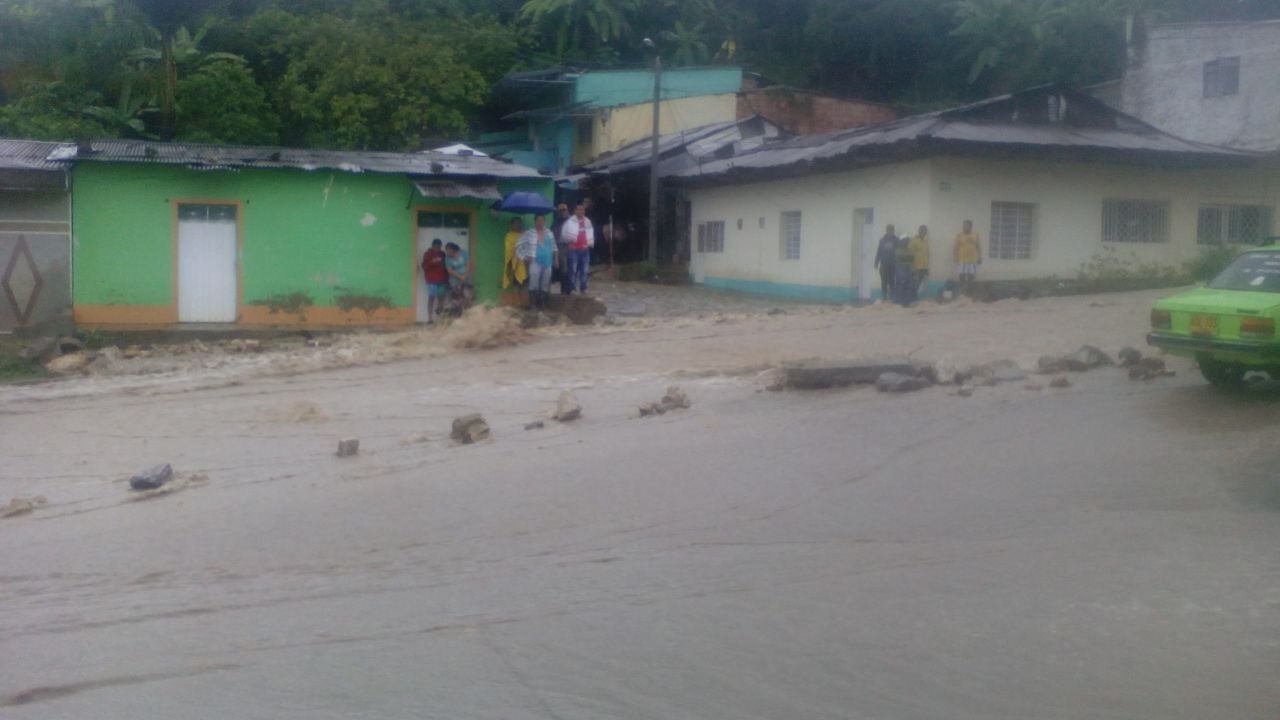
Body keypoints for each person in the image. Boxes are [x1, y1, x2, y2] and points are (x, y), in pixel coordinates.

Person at [517, 214, 557, 310]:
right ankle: (533, 305)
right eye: (538, 220)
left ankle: (543, 305)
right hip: (535, 261)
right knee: (533, 283)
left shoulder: (549, 233)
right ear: (535, 222)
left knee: (545, 283)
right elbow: (518, 245)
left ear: (544, 221)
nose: (540, 222)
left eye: (542, 220)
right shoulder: (529, 233)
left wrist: (556, 259)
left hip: (548, 262)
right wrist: (525, 256)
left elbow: (554, 247)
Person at [559, 203, 594, 294]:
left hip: (585, 250)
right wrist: (571, 240)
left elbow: (590, 234)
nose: (581, 211)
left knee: (584, 270)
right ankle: (572, 288)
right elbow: (563, 235)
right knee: (573, 270)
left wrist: (589, 244)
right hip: (573, 249)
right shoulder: (569, 222)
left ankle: (583, 288)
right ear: (575, 211)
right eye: (579, 209)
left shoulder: (588, 221)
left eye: (582, 210)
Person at [421, 238, 448, 323]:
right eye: (436, 247)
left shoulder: (442, 254)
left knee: (441, 298)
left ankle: (440, 318)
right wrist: (433, 261)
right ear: (432, 246)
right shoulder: (427, 254)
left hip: (442, 280)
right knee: (431, 298)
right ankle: (429, 318)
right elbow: (424, 267)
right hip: (431, 280)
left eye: (439, 247)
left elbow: (446, 266)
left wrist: (447, 279)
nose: (437, 249)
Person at [953, 219, 982, 297]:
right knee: (961, 276)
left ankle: (969, 293)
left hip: (972, 260)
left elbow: (978, 247)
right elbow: (955, 247)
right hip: (962, 260)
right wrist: (955, 257)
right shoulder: (959, 235)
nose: (964, 227)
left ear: (970, 226)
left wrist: (980, 257)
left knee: (971, 277)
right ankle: (962, 293)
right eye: (963, 225)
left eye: (966, 225)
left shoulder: (975, 235)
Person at [444, 242, 473, 315]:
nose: (448, 252)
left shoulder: (463, 253)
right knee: (457, 297)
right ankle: (458, 314)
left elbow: (468, 264)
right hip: (455, 279)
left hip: (467, 276)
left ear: (453, 249)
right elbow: (449, 270)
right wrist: (460, 277)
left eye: (449, 250)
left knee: (467, 295)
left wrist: (464, 275)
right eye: (447, 250)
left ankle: (468, 313)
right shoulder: (447, 258)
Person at [874, 224, 899, 302]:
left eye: (892, 230)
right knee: (884, 281)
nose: (890, 231)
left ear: (893, 231)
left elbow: (899, 252)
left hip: (893, 264)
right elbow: (879, 252)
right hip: (883, 264)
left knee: (891, 281)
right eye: (889, 230)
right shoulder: (882, 240)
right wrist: (876, 262)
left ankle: (892, 296)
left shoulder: (896, 240)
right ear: (886, 230)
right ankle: (884, 296)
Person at [502, 217, 527, 291]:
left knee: (523, 283)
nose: (517, 225)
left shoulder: (524, 235)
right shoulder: (509, 235)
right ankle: (516, 298)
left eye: (519, 223)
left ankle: (522, 298)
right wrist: (516, 248)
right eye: (515, 223)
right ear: (512, 225)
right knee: (515, 283)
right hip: (513, 262)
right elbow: (508, 249)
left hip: (524, 262)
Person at [551, 203, 571, 294]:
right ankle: (564, 290)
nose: (563, 212)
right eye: (561, 210)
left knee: (571, 269)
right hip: (560, 247)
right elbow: (552, 234)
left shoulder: (572, 221)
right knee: (563, 269)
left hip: (572, 247)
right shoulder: (556, 223)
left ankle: (569, 289)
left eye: (564, 210)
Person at [892, 234, 917, 306]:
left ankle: (907, 301)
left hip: (908, 268)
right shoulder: (897, 249)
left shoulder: (909, 250)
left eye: (907, 241)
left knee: (908, 284)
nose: (906, 242)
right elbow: (901, 258)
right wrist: (907, 257)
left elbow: (911, 259)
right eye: (905, 240)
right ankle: (899, 301)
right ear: (901, 241)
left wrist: (907, 258)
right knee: (901, 284)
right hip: (900, 267)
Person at [908, 225, 930, 301]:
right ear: (919, 231)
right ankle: (912, 299)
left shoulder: (925, 242)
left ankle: (914, 298)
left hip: (923, 268)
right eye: (922, 230)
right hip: (916, 267)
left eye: (925, 231)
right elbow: (909, 254)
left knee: (918, 284)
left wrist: (927, 268)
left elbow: (927, 255)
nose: (923, 232)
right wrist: (912, 266)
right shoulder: (914, 241)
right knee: (914, 284)